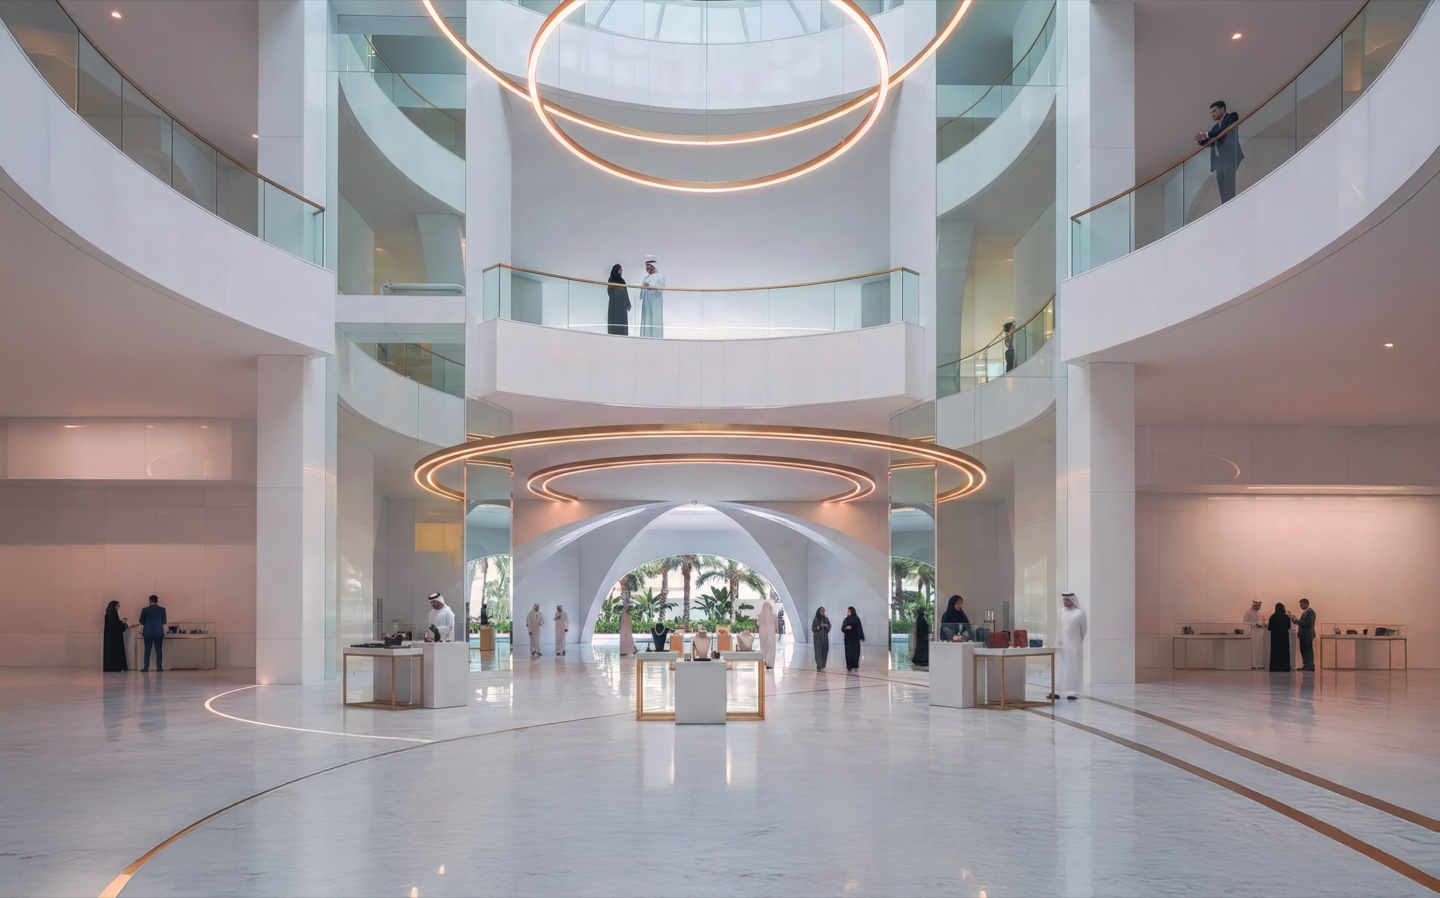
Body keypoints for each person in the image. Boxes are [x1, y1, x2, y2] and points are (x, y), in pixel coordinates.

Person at [1195, 99, 1244, 204]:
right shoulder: (1215, 127)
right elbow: (1211, 140)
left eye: (1214, 111)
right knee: (1221, 186)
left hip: (1229, 157)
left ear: (1222, 109)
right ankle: (1225, 207)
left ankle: (1231, 206)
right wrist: (1202, 140)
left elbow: (1226, 130)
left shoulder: (1232, 116)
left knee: (1228, 184)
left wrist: (1207, 134)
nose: (1212, 114)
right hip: (1219, 162)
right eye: (1211, 112)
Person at [1053, 593, 1087, 700]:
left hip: (1074, 645)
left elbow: (1083, 630)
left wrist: (1076, 642)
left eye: (1067, 601)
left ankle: (1073, 692)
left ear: (1072, 601)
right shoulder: (1060, 613)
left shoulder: (1080, 614)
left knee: (1072, 667)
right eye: (1064, 601)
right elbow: (1059, 628)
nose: (1065, 603)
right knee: (1060, 667)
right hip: (1061, 644)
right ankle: (1057, 691)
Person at [138, 594, 166, 672]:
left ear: (150, 601)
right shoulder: (162, 609)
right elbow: (164, 622)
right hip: (158, 632)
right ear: (157, 601)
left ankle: (146, 667)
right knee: (159, 650)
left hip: (148, 632)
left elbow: (141, 621)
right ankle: (159, 667)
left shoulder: (145, 610)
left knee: (147, 650)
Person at [638, 257, 665, 338]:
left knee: (655, 318)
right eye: (646, 266)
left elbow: (662, 286)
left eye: (648, 266)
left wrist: (650, 285)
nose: (647, 268)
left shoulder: (660, 276)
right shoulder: (645, 278)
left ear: (653, 266)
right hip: (646, 302)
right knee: (647, 318)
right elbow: (641, 292)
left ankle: (656, 336)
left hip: (655, 302)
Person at [103, 601, 129, 672]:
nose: (119, 607)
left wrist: (121, 622)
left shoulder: (110, 613)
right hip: (113, 637)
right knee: (114, 652)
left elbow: (115, 623)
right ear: (114, 606)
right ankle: (115, 667)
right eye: (118, 605)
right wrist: (123, 624)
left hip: (111, 636)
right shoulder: (112, 613)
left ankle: (114, 666)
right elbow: (115, 625)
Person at [1267, 602, 1293, 672]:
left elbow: (1269, 628)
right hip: (1284, 637)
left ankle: (1275, 667)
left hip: (1275, 638)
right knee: (1284, 651)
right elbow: (1289, 626)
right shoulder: (1286, 617)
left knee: (1275, 651)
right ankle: (1284, 667)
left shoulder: (1272, 616)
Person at [605, 263, 630, 335]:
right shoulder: (611, 279)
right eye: (620, 270)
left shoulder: (622, 280)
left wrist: (628, 303)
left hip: (622, 304)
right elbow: (609, 291)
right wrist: (617, 296)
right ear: (616, 270)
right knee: (615, 319)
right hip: (615, 304)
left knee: (622, 320)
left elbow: (625, 293)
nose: (622, 271)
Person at [1294, 598, 1316, 671]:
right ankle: (1306, 665)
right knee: (1303, 650)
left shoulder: (1311, 612)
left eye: (1301, 604)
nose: (1300, 606)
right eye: (1300, 605)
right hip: (1303, 634)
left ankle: (1310, 665)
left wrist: (1296, 621)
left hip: (1308, 634)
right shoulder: (1305, 612)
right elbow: (1303, 623)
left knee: (1308, 650)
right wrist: (1299, 632)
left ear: (1306, 604)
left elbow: (1309, 623)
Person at [1243, 599, 1266, 669]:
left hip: (1260, 634)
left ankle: (1260, 664)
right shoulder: (1248, 613)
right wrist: (1254, 624)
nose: (1258, 607)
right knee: (1253, 650)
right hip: (1253, 633)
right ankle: (1253, 665)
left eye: (1259, 606)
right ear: (1253, 605)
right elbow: (1244, 623)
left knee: (1260, 649)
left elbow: (1262, 622)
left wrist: (1264, 624)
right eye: (1257, 606)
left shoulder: (1260, 614)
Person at [841, 606, 865, 672]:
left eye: (849, 611)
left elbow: (860, 628)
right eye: (847, 611)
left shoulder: (857, 619)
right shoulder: (846, 619)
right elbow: (842, 628)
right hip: (848, 639)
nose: (848, 612)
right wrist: (846, 628)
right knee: (848, 651)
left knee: (855, 652)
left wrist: (861, 637)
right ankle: (849, 665)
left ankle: (855, 665)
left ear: (852, 611)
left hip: (855, 638)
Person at [757, 601, 777, 669]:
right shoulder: (774, 616)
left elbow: (759, 624)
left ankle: (764, 661)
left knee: (763, 648)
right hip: (771, 634)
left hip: (762, 634)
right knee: (771, 648)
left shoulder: (759, 615)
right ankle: (770, 663)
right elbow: (776, 627)